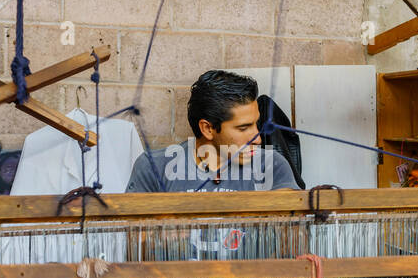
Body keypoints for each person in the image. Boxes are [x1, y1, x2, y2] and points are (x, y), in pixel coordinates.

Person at [126, 70, 301, 192]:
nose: (258, 139)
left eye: (256, 124)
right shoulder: (153, 167)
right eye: (243, 128)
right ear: (208, 129)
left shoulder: (272, 165)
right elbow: (132, 238)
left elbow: (291, 231)